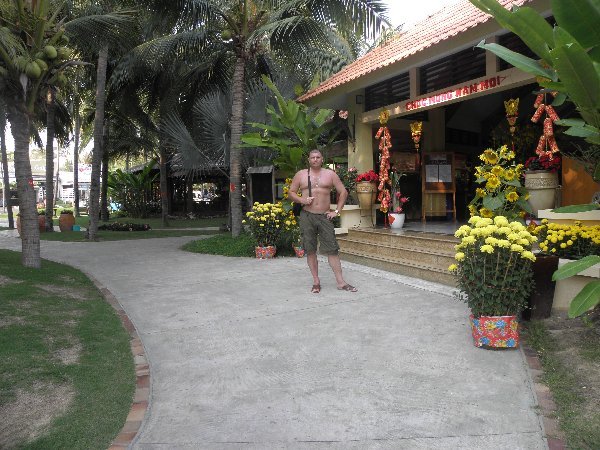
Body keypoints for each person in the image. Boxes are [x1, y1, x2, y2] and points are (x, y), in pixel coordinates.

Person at [288, 149, 358, 294]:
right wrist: (302, 200)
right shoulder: (301, 174)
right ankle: (316, 282)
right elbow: (291, 193)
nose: (315, 159)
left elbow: (343, 192)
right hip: (307, 216)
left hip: (325, 216)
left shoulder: (330, 174)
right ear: (309, 160)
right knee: (310, 250)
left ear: (322, 159)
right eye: (312, 157)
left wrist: (336, 211)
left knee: (332, 250)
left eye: (318, 157)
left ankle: (341, 282)